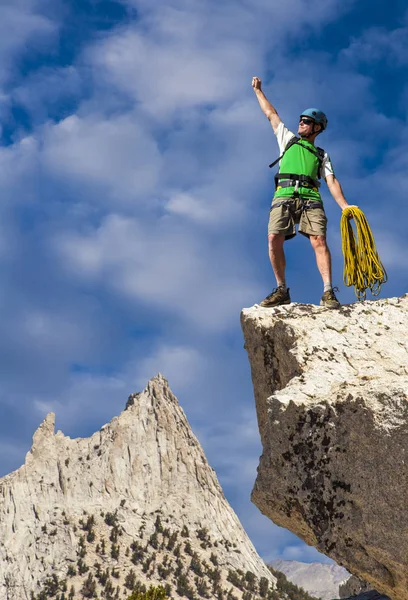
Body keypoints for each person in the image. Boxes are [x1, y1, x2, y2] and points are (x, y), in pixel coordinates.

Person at [252, 76, 353, 309]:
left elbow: (331, 181)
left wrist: (345, 206)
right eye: (301, 120)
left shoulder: (321, 155)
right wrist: (258, 91)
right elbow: (271, 114)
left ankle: (328, 292)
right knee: (273, 238)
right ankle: (281, 289)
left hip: (311, 197)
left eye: (306, 122)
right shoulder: (288, 140)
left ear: (317, 128)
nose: (301, 124)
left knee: (319, 240)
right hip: (284, 194)